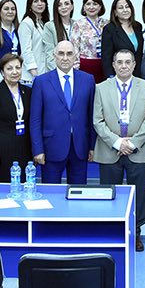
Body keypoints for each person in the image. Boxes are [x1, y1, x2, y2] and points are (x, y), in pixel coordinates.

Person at [92, 49, 145, 252]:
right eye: (119, 62)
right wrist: (118, 142)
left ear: (134, 64)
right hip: (109, 150)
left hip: (140, 150)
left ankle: (135, 233)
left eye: (128, 62)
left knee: (140, 195)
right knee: (110, 195)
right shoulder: (101, 88)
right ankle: (112, 232)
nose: (124, 66)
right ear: (113, 65)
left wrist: (133, 143)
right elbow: (97, 120)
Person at [30, 41, 96, 184]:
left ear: (75, 56)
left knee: (78, 193)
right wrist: (37, 149)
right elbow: (35, 120)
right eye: (61, 53)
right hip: (51, 148)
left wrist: (92, 146)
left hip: (80, 148)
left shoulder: (88, 80)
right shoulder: (41, 82)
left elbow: (91, 116)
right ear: (54, 56)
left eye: (69, 54)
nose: (65, 58)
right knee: (51, 193)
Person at [0, 53, 33, 182]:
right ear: (2, 72)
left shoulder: (28, 92)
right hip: (2, 150)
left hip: (24, 148)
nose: (14, 72)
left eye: (18, 67)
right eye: (9, 69)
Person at [101, 0, 144, 80]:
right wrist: (110, 76)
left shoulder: (137, 26)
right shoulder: (109, 29)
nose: (125, 10)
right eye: (121, 8)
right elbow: (106, 57)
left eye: (127, 7)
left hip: (137, 75)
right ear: (115, 12)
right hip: (118, 75)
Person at [71, 0, 109, 83]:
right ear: (84, 7)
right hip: (85, 66)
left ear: (100, 7)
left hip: (104, 66)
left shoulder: (107, 23)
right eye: (88, 4)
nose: (91, 7)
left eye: (95, 4)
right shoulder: (78, 24)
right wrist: (75, 68)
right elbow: (74, 47)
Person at [19, 0, 50, 84]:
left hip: (43, 73)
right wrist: (34, 73)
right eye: (36, 1)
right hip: (31, 76)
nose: (40, 3)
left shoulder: (43, 23)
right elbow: (26, 50)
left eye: (42, 1)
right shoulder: (26, 23)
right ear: (30, 5)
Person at [42, 0, 74, 74]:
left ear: (72, 6)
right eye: (59, 5)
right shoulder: (49, 26)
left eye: (66, 4)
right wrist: (61, 73)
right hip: (57, 72)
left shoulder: (77, 24)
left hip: (75, 71)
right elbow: (49, 54)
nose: (63, 7)